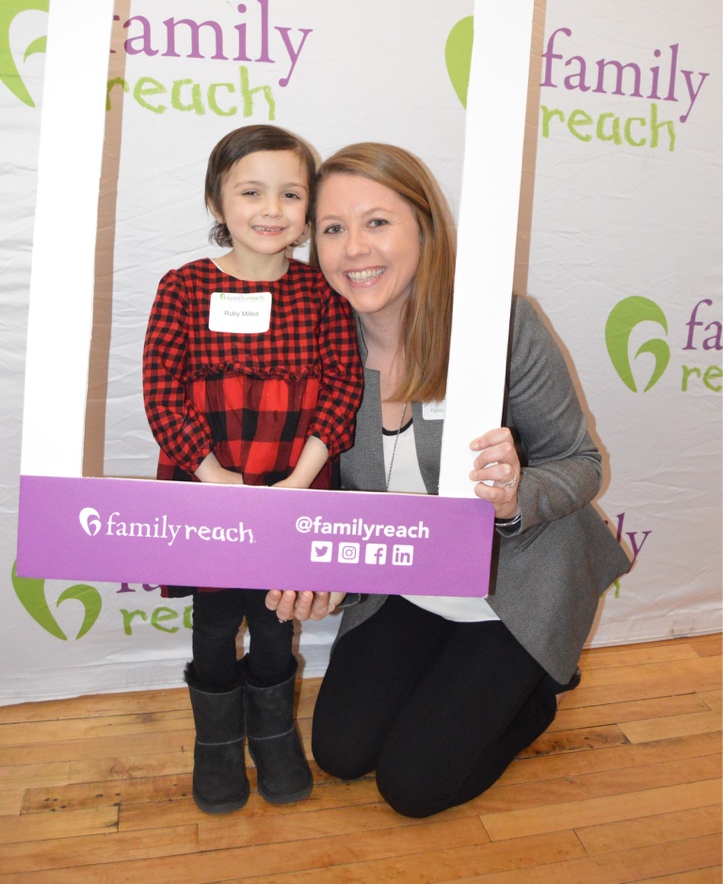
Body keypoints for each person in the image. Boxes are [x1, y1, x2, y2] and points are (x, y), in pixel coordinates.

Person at [267, 141, 631, 819]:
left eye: (377, 221)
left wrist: (514, 494)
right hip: (408, 588)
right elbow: (325, 498)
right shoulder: (316, 344)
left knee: (414, 787)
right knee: (342, 754)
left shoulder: (499, 324)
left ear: (424, 227)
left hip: (512, 585)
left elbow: (581, 463)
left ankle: (536, 687)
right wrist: (314, 567)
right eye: (333, 228)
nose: (354, 249)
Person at [142, 124, 363, 814]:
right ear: (216, 202)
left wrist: (299, 481)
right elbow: (160, 390)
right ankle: (215, 743)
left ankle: (273, 733)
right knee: (212, 621)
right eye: (250, 191)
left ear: (308, 207)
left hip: (296, 483)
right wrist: (213, 478)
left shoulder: (323, 293)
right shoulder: (182, 288)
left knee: (275, 622)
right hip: (206, 487)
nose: (271, 208)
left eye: (290, 193)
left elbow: (342, 387)